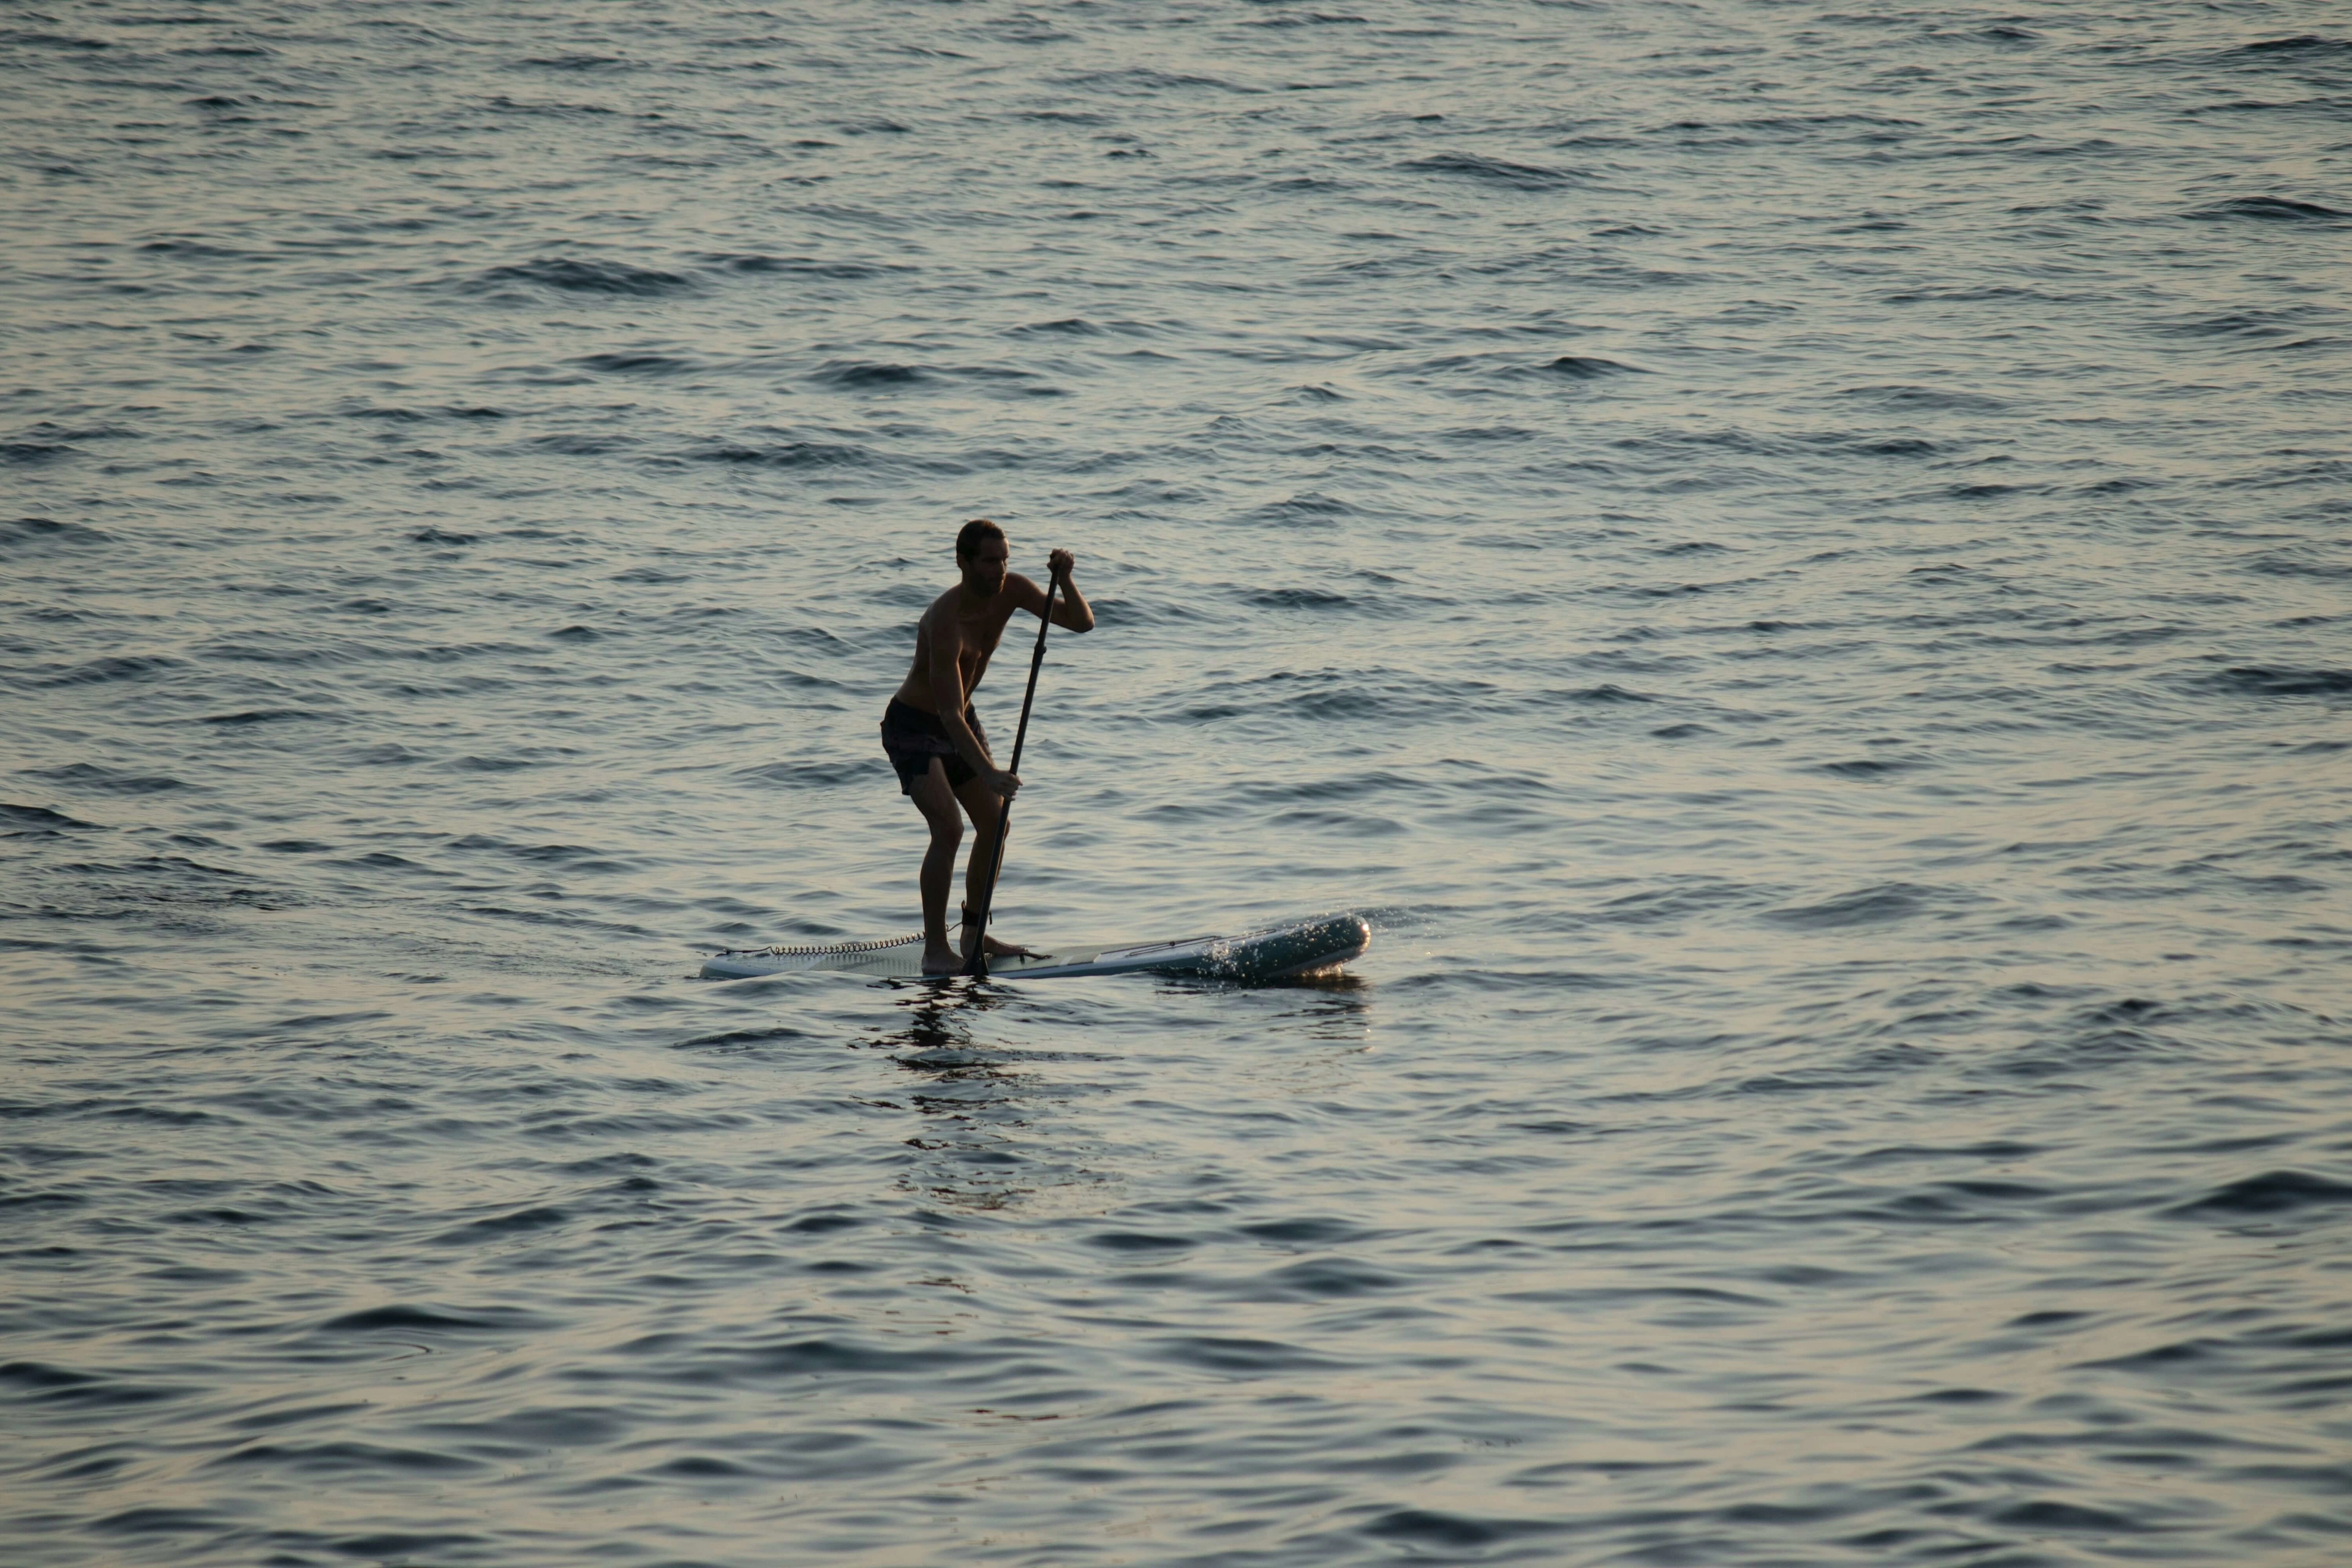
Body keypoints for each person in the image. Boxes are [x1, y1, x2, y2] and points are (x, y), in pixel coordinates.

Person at [880, 519, 1094, 974]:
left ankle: (975, 931)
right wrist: (991, 773)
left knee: (996, 824)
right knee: (949, 828)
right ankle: (936, 949)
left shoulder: (1013, 589)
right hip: (915, 727)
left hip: (961, 719)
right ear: (963, 562)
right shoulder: (944, 621)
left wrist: (1067, 578)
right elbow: (950, 715)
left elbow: (1080, 623)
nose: (999, 570)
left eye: (1004, 560)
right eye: (989, 561)